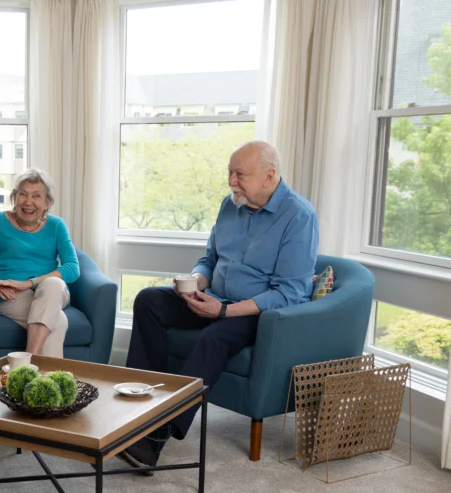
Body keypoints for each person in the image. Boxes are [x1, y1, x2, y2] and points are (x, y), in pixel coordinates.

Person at [122, 141, 319, 469]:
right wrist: (195, 282)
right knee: (149, 300)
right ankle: (142, 405)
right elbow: (210, 260)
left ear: (269, 177)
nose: (231, 181)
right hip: (215, 299)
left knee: (212, 338)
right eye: (230, 172)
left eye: (239, 174)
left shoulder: (299, 216)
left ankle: (158, 435)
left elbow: (290, 291)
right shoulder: (231, 206)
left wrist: (225, 311)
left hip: (256, 313)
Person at [0, 167, 79, 357]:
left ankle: (24, 366)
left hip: (49, 291)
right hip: (7, 295)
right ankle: (49, 381)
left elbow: (72, 268)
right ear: (14, 198)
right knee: (58, 321)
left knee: (53, 284)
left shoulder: (56, 225)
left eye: (36, 196)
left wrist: (29, 283)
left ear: (47, 203)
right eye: (23, 194)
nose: (28, 201)